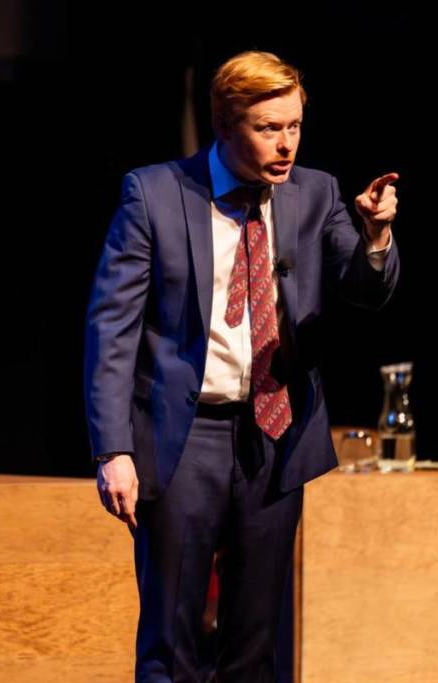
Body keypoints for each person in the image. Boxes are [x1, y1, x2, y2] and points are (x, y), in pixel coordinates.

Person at [84, 51, 400, 681]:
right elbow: (110, 329)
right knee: (170, 642)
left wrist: (374, 237)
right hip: (183, 438)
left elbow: (364, 289)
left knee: (256, 644)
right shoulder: (154, 193)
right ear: (226, 126)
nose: (286, 146)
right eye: (267, 129)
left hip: (275, 435)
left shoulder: (314, 193)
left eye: (294, 127)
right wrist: (111, 450)